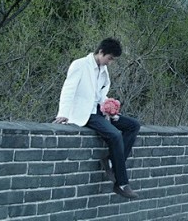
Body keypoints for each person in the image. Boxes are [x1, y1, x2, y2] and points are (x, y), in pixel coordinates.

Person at [53, 38, 140, 199]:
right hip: (85, 113)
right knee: (114, 134)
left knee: (133, 125)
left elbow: (99, 95)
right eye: (110, 58)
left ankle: (111, 161)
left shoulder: (103, 70)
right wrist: (63, 113)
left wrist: (110, 107)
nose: (111, 62)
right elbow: (68, 90)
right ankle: (121, 183)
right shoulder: (79, 65)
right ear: (101, 52)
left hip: (99, 111)